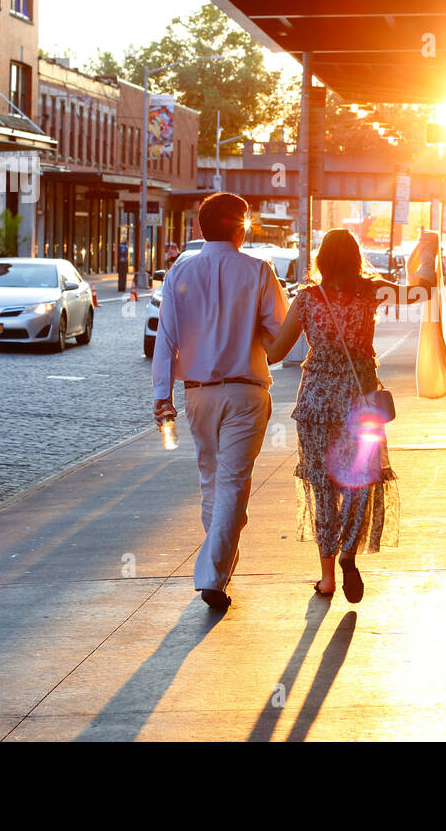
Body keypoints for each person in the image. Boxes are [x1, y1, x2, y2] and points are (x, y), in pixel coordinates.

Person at [265, 228, 432, 603]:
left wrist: (254, 327)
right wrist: (427, 252)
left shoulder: (308, 299)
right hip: (361, 404)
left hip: (317, 406)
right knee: (359, 481)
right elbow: (423, 292)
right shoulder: (372, 291)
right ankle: (349, 555)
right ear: (357, 259)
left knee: (322, 487)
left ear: (321, 260)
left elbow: (275, 352)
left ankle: (326, 579)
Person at [152, 193, 288, 613]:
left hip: (197, 395)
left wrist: (162, 396)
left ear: (198, 229)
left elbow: (165, 337)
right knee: (231, 485)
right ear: (238, 227)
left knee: (213, 482)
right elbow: (281, 338)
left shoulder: (179, 272)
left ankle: (220, 568)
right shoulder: (258, 271)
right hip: (245, 392)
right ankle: (212, 575)